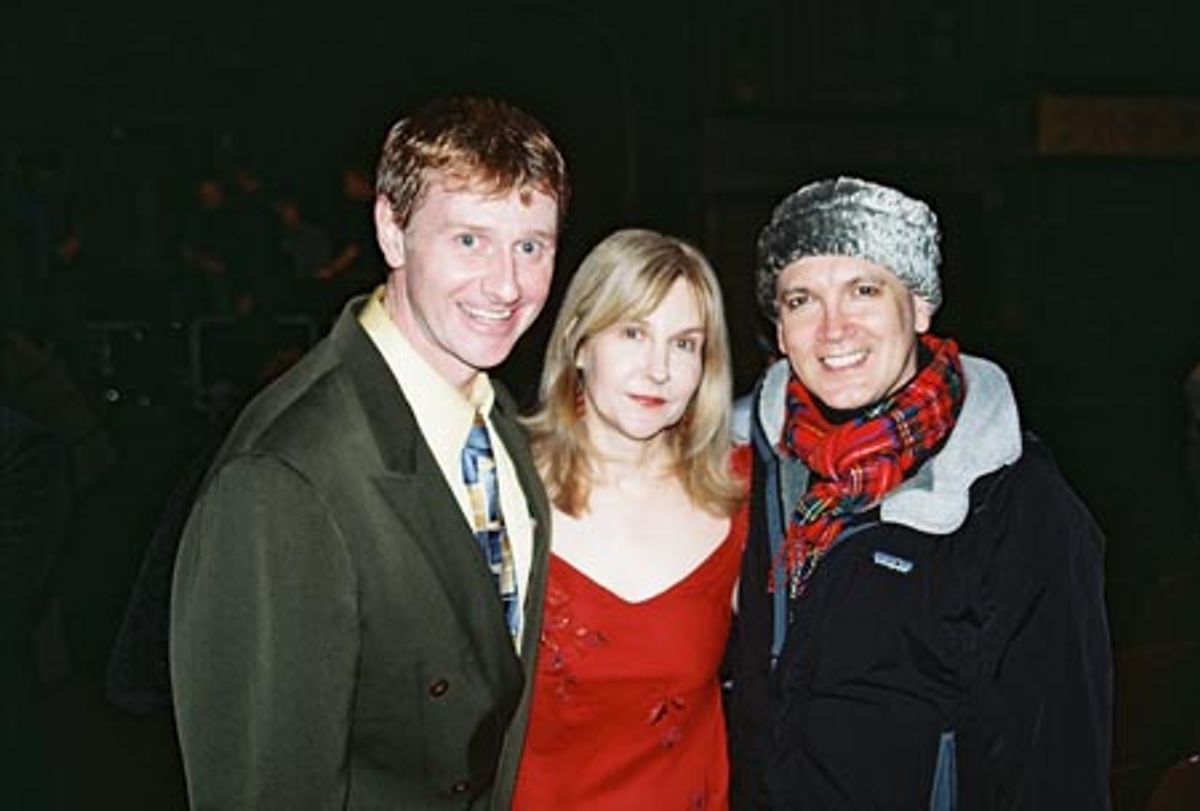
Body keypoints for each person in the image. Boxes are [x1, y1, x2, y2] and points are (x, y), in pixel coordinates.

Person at [170, 96, 568, 809]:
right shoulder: (286, 476)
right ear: (392, 228)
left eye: (531, 245)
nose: (507, 285)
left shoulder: (500, 421)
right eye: (469, 240)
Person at [727, 177, 1112, 810]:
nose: (833, 330)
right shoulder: (750, 467)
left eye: (864, 290)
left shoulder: (1015, 503)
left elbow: (1057, 768)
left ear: (921, 304)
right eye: (802, 300)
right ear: (778, 323)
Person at [513, 228, 749, 809]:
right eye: (633, 333)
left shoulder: (743, 495)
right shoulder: (501, 486)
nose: (659, 369)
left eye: (685, 344)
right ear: (578, 342)